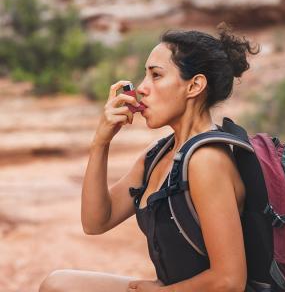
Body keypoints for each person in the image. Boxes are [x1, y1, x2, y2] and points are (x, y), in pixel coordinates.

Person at [39, 25, 259, 292]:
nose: (142, 88)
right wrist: (101, 142)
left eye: (156, 76)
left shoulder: (207, 160)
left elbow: (229, 281)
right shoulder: (157, 155)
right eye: (145, 75)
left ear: (195, 85)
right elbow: (96, 221)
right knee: (58, 284)